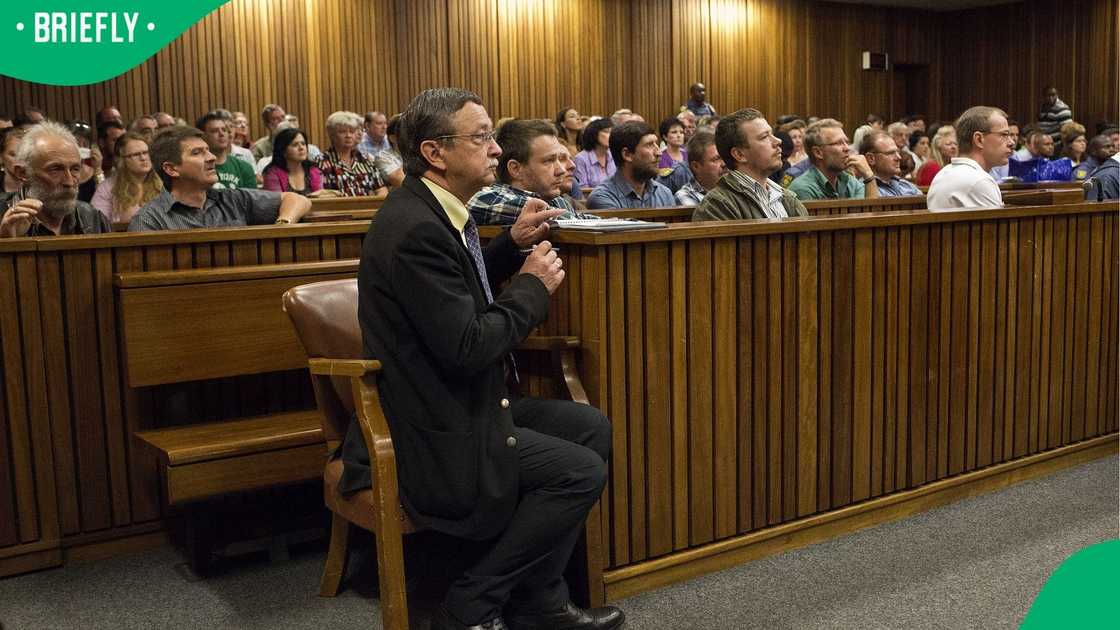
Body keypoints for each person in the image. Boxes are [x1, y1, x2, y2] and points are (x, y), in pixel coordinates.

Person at [351, 86, 623, 630]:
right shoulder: (416, 229)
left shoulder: (433, 210)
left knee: (590, 427)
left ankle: (539, 598)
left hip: (463, 403)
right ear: (435, 152)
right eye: (481, 138)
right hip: (434, 425)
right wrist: (531, 287)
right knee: (579, 472)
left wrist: (507, 247)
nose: (497, 148)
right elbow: (468, 346)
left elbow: (455, 295)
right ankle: (471, 604)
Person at [128, 125, 310, 231]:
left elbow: (297, 200)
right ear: (171, 169)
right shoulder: (149, 221)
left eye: (208, 150)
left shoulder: (233, 199)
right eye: (197, 153)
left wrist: (283, 223)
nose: (211, 157)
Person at [467, 118, 592, 225]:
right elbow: (571, 221)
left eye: (558, 159)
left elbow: (586, 222)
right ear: (516, 169)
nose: (561, 170)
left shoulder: (555, 199)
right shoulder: (487, 198)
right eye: (549, 161)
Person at [692, 108, 806, 221]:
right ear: (739, 154)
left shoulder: (787, 197)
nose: (778, 141)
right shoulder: (717, 206)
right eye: (764, 137)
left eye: (772, 134)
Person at [0, 122, 111, 237]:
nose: (69, 182)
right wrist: (6, 241)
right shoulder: (3, 217)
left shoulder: (94, 219)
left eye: (75, 169)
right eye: (55, 169)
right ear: (23, 173)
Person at [927, 106, 1013, 211]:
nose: (1011, 142)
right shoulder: (979, 181)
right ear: (979, 140)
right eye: (1004, 135)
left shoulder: (942, 174)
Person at [586, 121, 676, 209]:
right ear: (627, 154)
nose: (659, 153)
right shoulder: (603, 198)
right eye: (649, 145)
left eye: (656, 144)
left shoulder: (664, 193)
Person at [788, 118, 879, 200]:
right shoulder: (803, 189)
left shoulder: (848, 180)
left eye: (846, 142)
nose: (847, 148)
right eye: (839, 143)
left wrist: (868, 174)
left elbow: (871, 210)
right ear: (818, 153)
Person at [91, 132, 162, 224]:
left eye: (146, 152)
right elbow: (97, 223)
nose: (143, 158)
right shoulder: (107, 188)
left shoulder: (165, 183)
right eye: (136, 154)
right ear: (121, 160)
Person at [315, 111, 388, 198]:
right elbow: (321, 194)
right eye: (342, 132)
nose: (348, 135)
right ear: (332, 135)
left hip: (368, 205)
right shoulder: (322, 161)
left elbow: (382, 189)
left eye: (352, 131)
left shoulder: (365, 160)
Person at [196, 112, 257, 190]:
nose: (221, 134)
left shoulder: (244, 167)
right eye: (215, 131)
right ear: (203, 136)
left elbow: (251, 197)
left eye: (224, 130)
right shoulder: (196, 169)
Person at [262, 128, 325, 196]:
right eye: (295, 145)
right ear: (283, 151)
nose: (301, 148)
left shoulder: (314, 170)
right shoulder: (272, 173)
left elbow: (321, 198)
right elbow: (276, 200)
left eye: (303, 144)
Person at [861, 130, 922, 197]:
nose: (899, 157)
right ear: (871, 159)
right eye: (890, 153)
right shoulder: (863, 190)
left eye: (898, 152)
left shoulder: (907, 186)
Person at [675, 130, 723, 206]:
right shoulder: (685, 196)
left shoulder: (733, 189)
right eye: (716, 159)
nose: (724, 164)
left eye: (724, 157)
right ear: (696, 166)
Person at [571, 118, 615, 190]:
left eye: (612, 132)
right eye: (606, 132)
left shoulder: (614, 154)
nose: (611, 135)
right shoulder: (581, 159)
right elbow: (582, 190)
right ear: (594, 134)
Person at [375, 114, 405, 188]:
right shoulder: (382, 157)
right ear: (393, 138)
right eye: (406, 133)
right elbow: (400, 181)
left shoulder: (421, 154)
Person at [1, 127, 26, 194]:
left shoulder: (39, 185)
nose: (21, 160)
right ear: (1, 157)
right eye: (13, 155)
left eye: (25, 154)